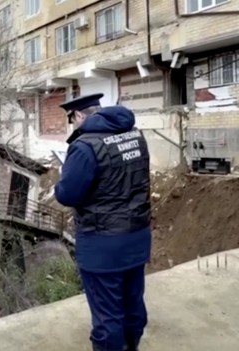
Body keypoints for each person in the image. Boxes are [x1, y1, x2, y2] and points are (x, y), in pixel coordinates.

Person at [53, 93, 152, 351]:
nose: (72, 125)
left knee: (107, 316)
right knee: (132, 304)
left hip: (102, 246)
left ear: (79, 116)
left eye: (71, 119)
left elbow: (68, 194)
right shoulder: (135, 135)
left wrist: (60, 180)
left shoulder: (84, 147)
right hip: (137, 238)